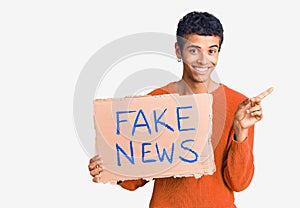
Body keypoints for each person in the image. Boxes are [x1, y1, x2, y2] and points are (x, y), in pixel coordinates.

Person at [88, 11, 273, 207]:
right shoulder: (156, 101)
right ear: (178, 51)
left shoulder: (239, 106)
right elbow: (136, 179)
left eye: (212, 51)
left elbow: (239, 183)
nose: (204, 60)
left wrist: (241, 131)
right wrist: (109, 166)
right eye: (194, 50)